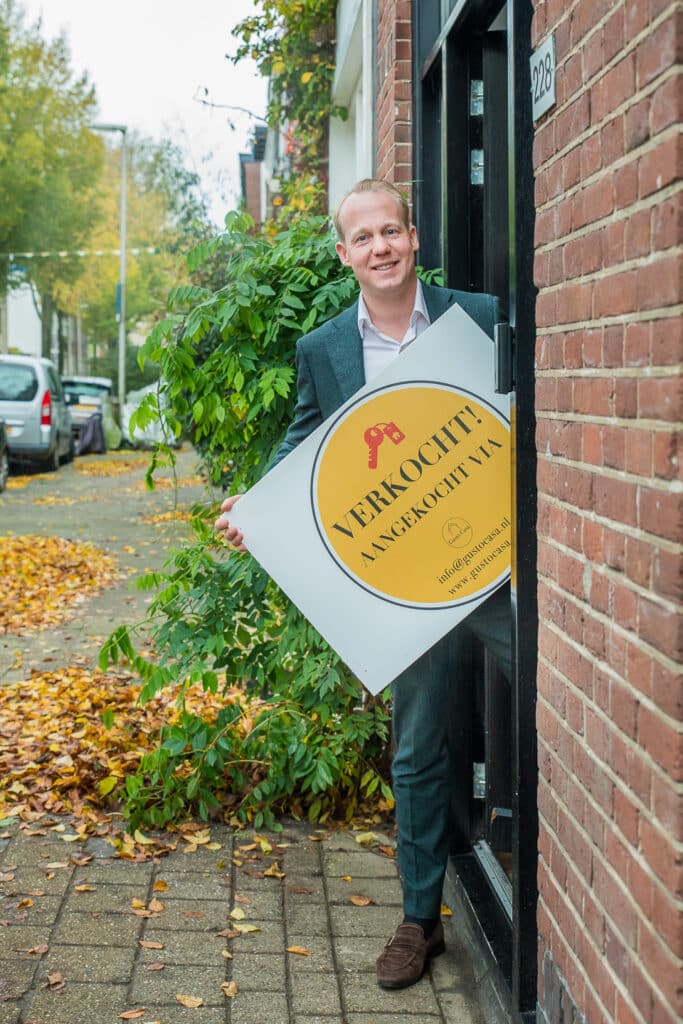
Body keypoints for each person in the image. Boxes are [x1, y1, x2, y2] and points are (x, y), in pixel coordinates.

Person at [215, 178, 512, 989]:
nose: (380, 247)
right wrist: (258, 504)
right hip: (400, 585)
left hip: (486, 562)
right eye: (364, 238)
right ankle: (419, 922)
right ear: (344, 255)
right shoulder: (323, 349)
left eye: (392, 231)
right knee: (415, 751)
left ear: (414, 240)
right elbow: (305, 442)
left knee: (555, 685)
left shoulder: (477, 319)